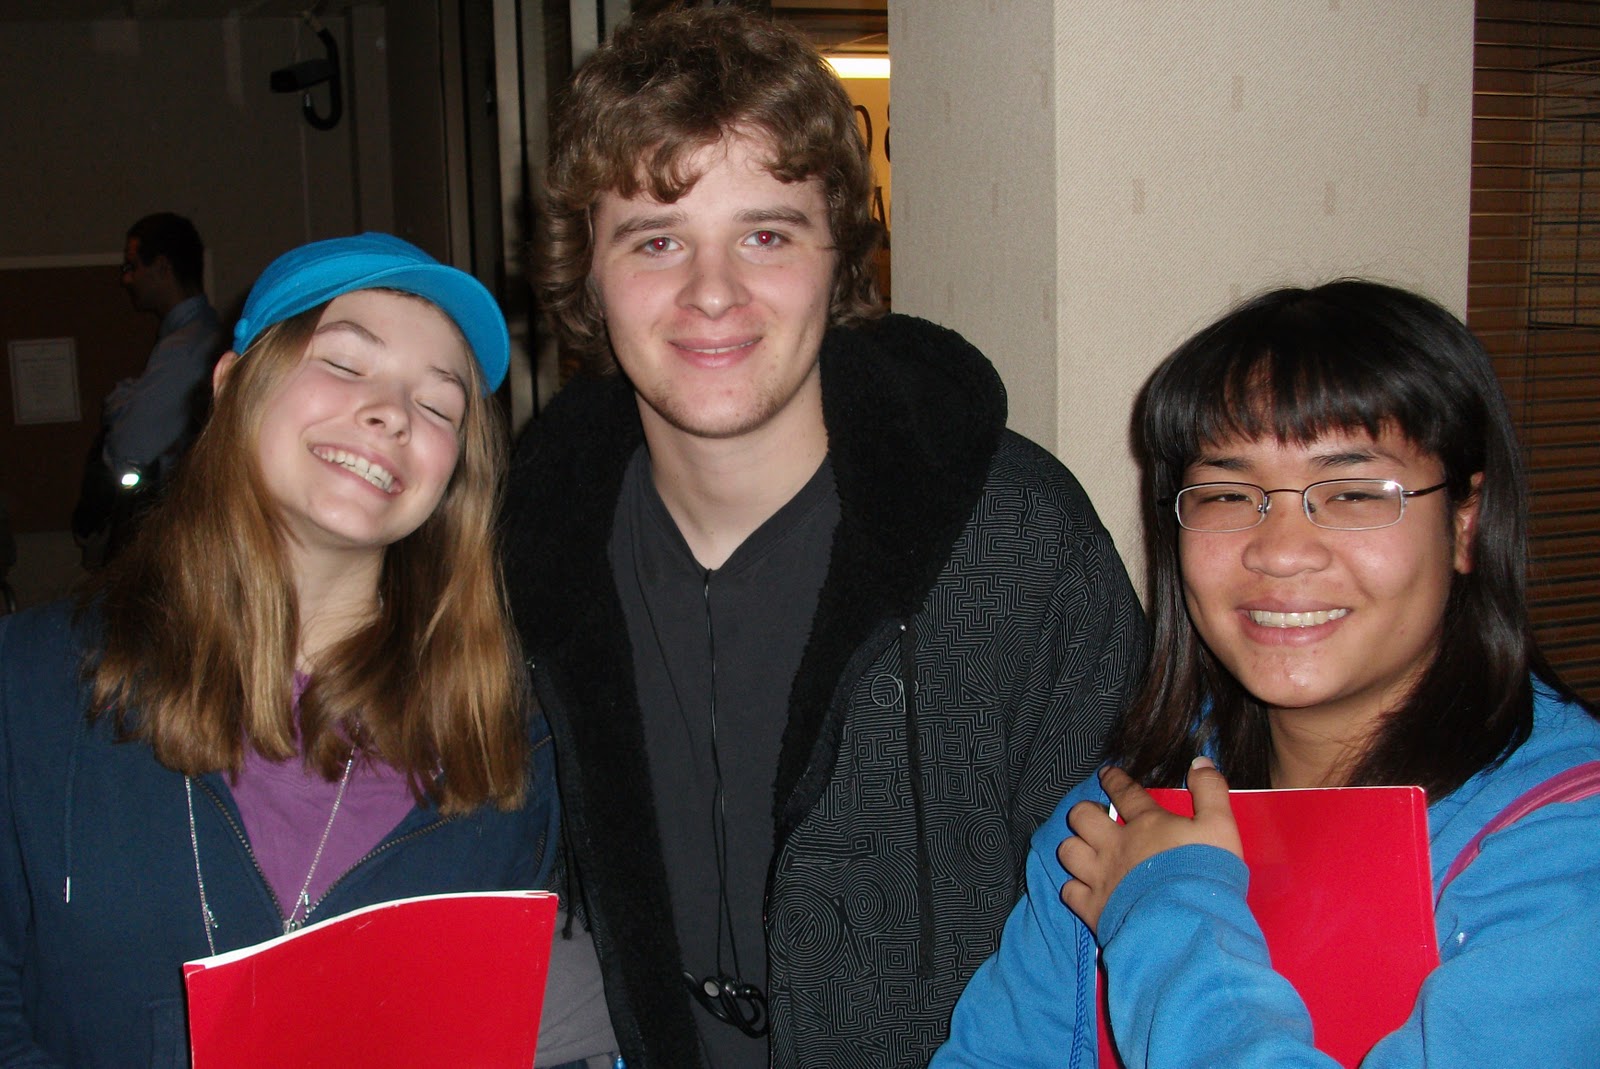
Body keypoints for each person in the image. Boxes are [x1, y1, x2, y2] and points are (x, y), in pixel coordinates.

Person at [502, 8, 1147, 1068]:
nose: (713, 293)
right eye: (657, 240)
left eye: (766, 234)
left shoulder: (1016, 540)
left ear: (838, 252)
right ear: (589, 274)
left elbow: (1121, 919)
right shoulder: (527, 553)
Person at [931, 279, 1600, 1068]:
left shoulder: (1566, 851)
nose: (1279, 551)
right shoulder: (1125, 810)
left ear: (1466, 524)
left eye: (1352, 492)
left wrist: (1164, 907)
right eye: (1227, 493)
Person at [0, 233, 559, 1067]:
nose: (393, 412)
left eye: (439, 406)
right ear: (232, 384)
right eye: (345, 362)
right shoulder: (32, 681)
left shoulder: (511, 740)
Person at [73, 213, 227, 563]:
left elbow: (130, 447)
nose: (126, 279)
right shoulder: (192, 338)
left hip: (177, 531)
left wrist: (120, 403)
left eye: (132, 267)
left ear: (161, 267)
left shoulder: (187, 348)